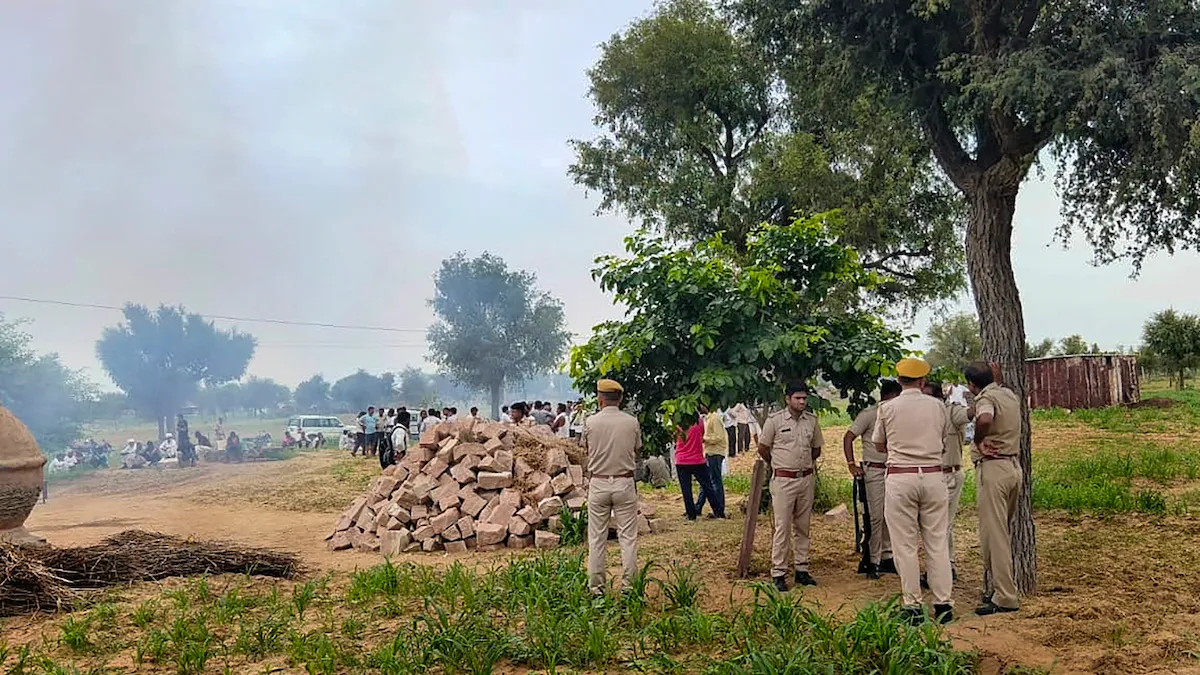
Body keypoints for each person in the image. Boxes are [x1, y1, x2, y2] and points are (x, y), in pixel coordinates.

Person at [871, 357, 953, 625]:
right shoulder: (938, 407)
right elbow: (942, 440)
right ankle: (943, 605)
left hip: (900, 476)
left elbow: (879, 444)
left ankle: (913, 606)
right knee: (937, 542)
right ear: (922, 381)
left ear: (899, 380)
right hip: (932, 476)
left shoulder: (887, 408)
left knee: (904, 545)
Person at [965, 361, 1022, 616]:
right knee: (994, 533)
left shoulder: (985, 400)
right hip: (1013, 467)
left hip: (993, 468)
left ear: (971, 385)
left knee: (996, 536)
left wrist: (978, 441)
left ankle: (1006, 597)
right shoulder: (1008, 394)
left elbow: (985, 417)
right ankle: (997, 589)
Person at [758, 382, 824, 591]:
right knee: (782, 527)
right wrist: (779, 464)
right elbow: (763, 447)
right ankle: (779, 572)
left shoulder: (811, 421)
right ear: (787, 399)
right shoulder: (775, 421)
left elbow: (816, 449)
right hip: (783, 480)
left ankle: (802, 570)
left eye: (804, 398)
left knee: (803, 526)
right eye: (798, 398)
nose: (802, 402)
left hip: (805, 479)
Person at [583, 379, 642, 595]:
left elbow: (586, 449)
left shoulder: (590, 422)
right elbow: (637, 450)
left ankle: (597, 590)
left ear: (600, 400)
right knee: (628, 538)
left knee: (597, 539)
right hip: (624, 482)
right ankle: (629, 588)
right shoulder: (632, 422)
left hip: (598, 483)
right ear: (621, 399)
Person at [843, 379, 903, 579]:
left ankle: (887, 556)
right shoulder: (870, 415)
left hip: (893, 469)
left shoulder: (897, 415)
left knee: (891, 515)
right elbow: (848, 436)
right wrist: (851, 464)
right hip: (874, 470)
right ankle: (873, 560)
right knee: (875, 516)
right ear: (888, 397)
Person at [924, 381, 972, 582]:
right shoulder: (920, 417)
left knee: (941, 525)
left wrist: (976, 399)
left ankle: (940, 570)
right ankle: (945, 566)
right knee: (936, 525)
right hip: (928, 476)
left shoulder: (952, 412)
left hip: (949, 475)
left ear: (940, 399)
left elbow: (970, 415)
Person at [674, 415, 717, 520]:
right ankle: (718, 510)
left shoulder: (677, 421)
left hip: (681, 460)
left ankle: (691, 515)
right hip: (697, 459)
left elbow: (675, 437)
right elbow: (702, 435)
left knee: (686, 490)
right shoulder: (699, 421)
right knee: (708, 486)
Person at [695, 404, 728, 519]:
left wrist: (704, 439)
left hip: (716, 453)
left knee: (715, 481)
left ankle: (719, 509)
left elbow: (719, 437)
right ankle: (698, 507)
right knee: (706, 482)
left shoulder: (715, 418)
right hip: (710, 452)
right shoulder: (708, 418)